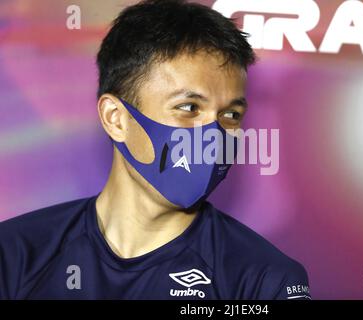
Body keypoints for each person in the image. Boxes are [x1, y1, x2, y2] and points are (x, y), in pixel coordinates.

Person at [0, 0, 310, 300]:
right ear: (115, 118)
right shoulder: (14, 254)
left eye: (230, 115)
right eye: (188, 107)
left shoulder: (264, 281)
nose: (213, 137)